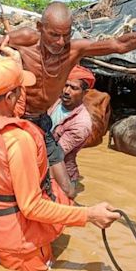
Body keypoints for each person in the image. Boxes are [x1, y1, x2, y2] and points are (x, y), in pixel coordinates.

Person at [0, 1, 136, 200]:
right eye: (54, 35)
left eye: (66, 35)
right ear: (40, 27)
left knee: (68, 190)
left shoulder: (74, 50)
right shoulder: (25, 38)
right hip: (14, 120)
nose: (60, 42)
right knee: (11, 184)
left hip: (41, 122)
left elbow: (119, 44)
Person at [0, 55, 120, 271]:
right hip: (18, 244)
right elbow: (32, 207)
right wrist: (89, 215)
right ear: (10, 96)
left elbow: (5, 111)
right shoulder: (17, 139)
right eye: (20, 90)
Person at [49, 65, 95, 193]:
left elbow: (56, 154)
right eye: (65, 85)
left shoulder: (81, 124)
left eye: (74, 88)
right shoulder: (54, 101)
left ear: (84, 93)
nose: (66, 91)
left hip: (61, 176)